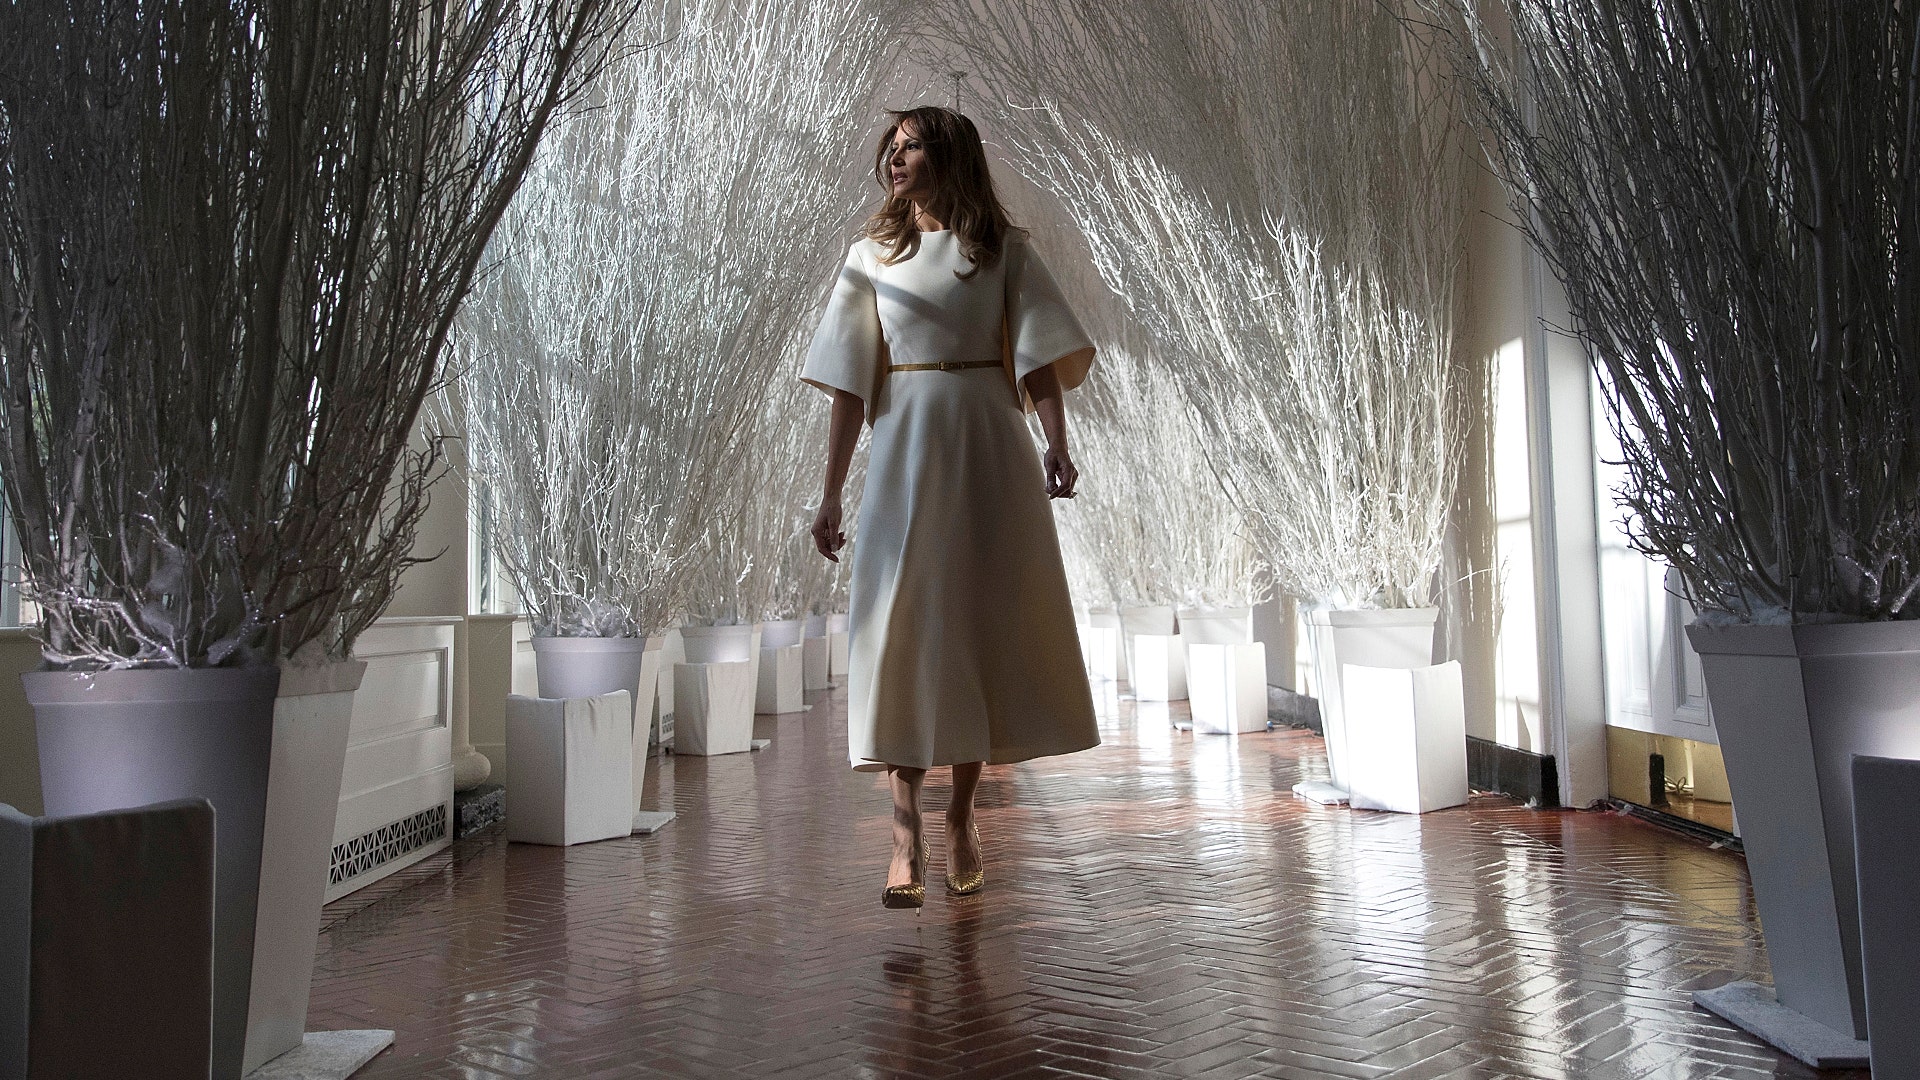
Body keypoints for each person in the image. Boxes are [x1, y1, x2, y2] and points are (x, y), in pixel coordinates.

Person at [802, 106, 1101, 910]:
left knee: (973, 626)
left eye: (912, 147)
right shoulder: (869, 257)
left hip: (988, 448)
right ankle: (904, 831)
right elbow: (845, 382)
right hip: (903, 447)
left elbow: (1037, 355)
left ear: (950, 156)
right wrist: (829, 492)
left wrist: (1056, 443)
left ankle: (962, 818)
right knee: (902, 625)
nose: (897, 161)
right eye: (890, 150)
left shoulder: (1003, 251)